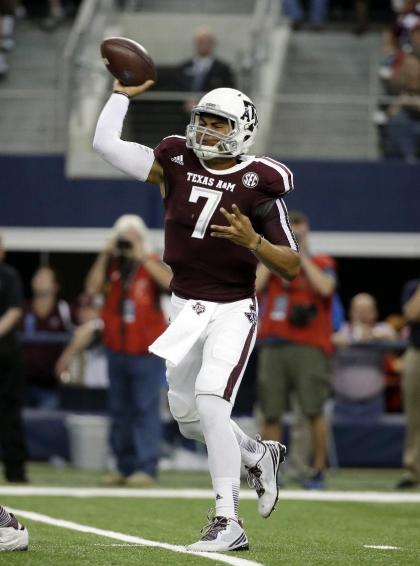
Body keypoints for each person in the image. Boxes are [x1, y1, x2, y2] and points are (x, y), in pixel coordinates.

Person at [93, 77, 300, 552]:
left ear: (241, 129)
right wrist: (121, 93)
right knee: (188, 419)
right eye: (202, 119)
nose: (205, 130)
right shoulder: (175, 162)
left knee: (211, 401)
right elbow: (104, 144)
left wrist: (254, 242)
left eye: (217, 122)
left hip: (231, 309)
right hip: (185, 307)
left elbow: (290, 265)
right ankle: (256, 452)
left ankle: (228, 520)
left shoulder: (259, 184)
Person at [85, 214, 171, 487]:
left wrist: (142, 254)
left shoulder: (150, 263)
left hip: (145, 353)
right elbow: (91, 287)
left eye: (133, 236)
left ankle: (146, 469)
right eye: (124, 236)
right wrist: (105, 253)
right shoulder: (112, 264)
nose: (128, 242)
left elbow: (170, 284)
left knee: (145, 410)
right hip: (117, 349)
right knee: (119, 411)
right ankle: (124, 467)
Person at [256, 210, 335, 490]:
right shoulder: (272, 261)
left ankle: (318, 470)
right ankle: (269, 472)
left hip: (309, 346)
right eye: (291, 227)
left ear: (308, 230)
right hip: (274, 343)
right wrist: (277, 252)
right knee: (271, 412)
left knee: (313, 410)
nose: (296, 231)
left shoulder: (322, 261)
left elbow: (326, 288)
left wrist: (301, 255)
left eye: (300, 227)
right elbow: (255, 287)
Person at [332, 293, 397, 419]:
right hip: (343, 402)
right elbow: (331, 338)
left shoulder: (383, 329)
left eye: (367, 309)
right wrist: (348, 338)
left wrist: (373, 335)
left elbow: (393, 337)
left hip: (373, 402)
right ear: (351, 312)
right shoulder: (342, 329)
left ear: (375, 312)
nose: (363, 314)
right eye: (358, 310)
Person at [21, 266, 74, 409]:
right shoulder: (22, 310)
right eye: (37, 276)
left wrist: (66, 356)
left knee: (46, 428)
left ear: (55, 286)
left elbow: (90, 327)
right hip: (21, 384)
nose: (39, 280)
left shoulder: (64, 310)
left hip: (50, 386)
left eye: (45, 278)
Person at [0, 235, 27, 483]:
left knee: (9, 414)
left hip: (5, 355)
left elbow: (15, 310)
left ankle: (16, 471)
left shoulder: (8, 276)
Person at [396, 278, 420, 488]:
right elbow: (412, 314)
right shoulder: (413, 286)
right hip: (417, 352)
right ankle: (412, 470)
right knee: (414, 415)